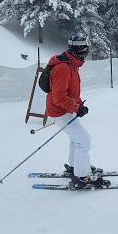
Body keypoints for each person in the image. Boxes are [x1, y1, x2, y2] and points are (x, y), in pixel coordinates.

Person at [46, 33, 110, 189]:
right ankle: (82, 177)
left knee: (76, 139)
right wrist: (76, 107)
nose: (87, 51)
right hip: (59, 111)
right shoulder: (63, 68)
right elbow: (59, 98)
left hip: (64, 109)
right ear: (78, 49)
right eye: (85, 47)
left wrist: (79, 105)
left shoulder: (71, 64)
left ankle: (76, 167)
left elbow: (71, 92)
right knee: (83, 141)